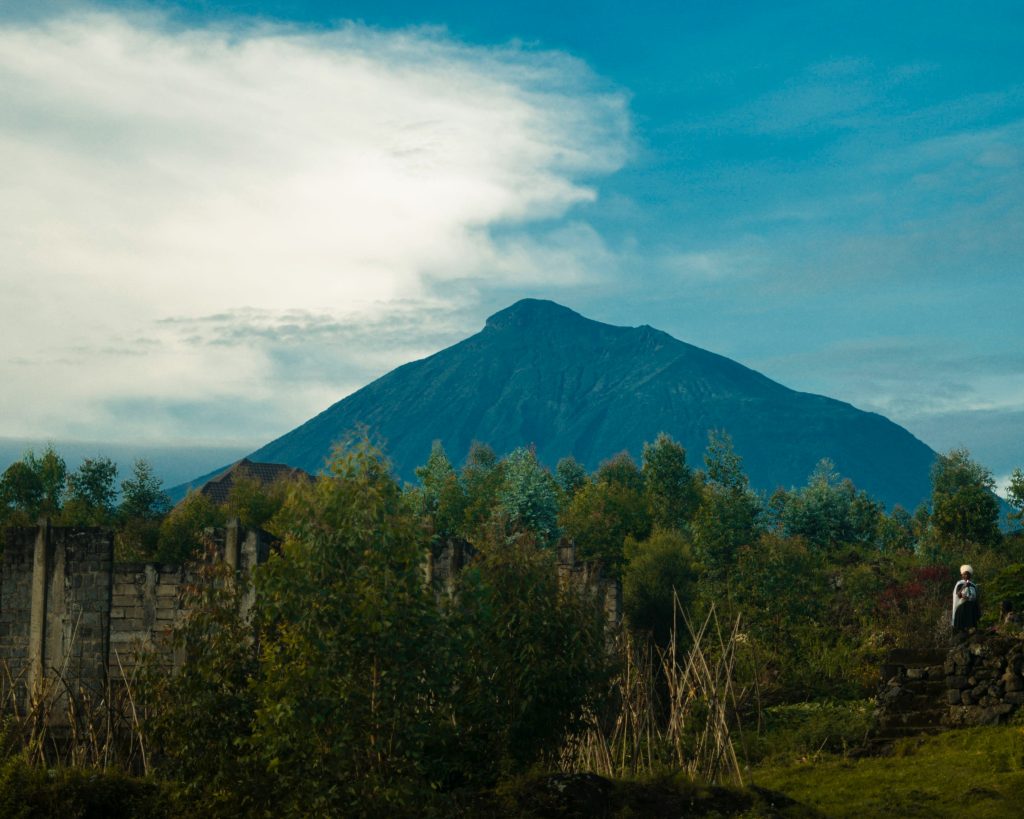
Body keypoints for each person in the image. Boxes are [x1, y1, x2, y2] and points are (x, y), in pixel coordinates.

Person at [952, 564, 980, 631]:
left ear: (970, 575)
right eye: (964, 574)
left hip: (971, 606)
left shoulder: (973, 585)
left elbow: (975, 596)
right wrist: (963, 587)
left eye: (967, 574)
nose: (966, 576)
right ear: (962, 575)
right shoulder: (960, 584)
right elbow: (958, 594)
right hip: (962, 606)